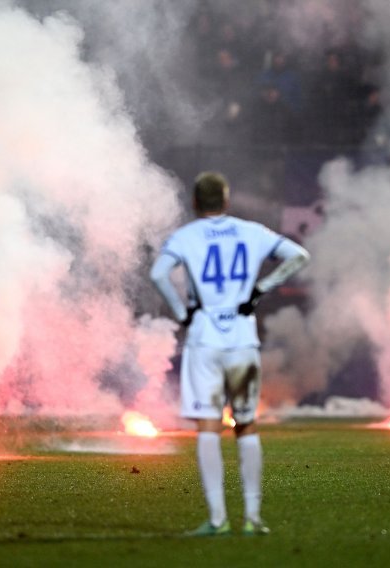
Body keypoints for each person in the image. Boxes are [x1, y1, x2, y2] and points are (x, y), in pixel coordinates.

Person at [150, 172, 310, 537]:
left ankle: (218, 519)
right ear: (226, 200)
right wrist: (261, 288)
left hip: (205, 339)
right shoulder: (251, 231)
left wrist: (181, 311)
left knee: (208, 426)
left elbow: (158, 274)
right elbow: (299, 255)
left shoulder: (186, 236)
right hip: (241, 339)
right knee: (246, 424)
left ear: (194, 202)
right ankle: (253, 518)